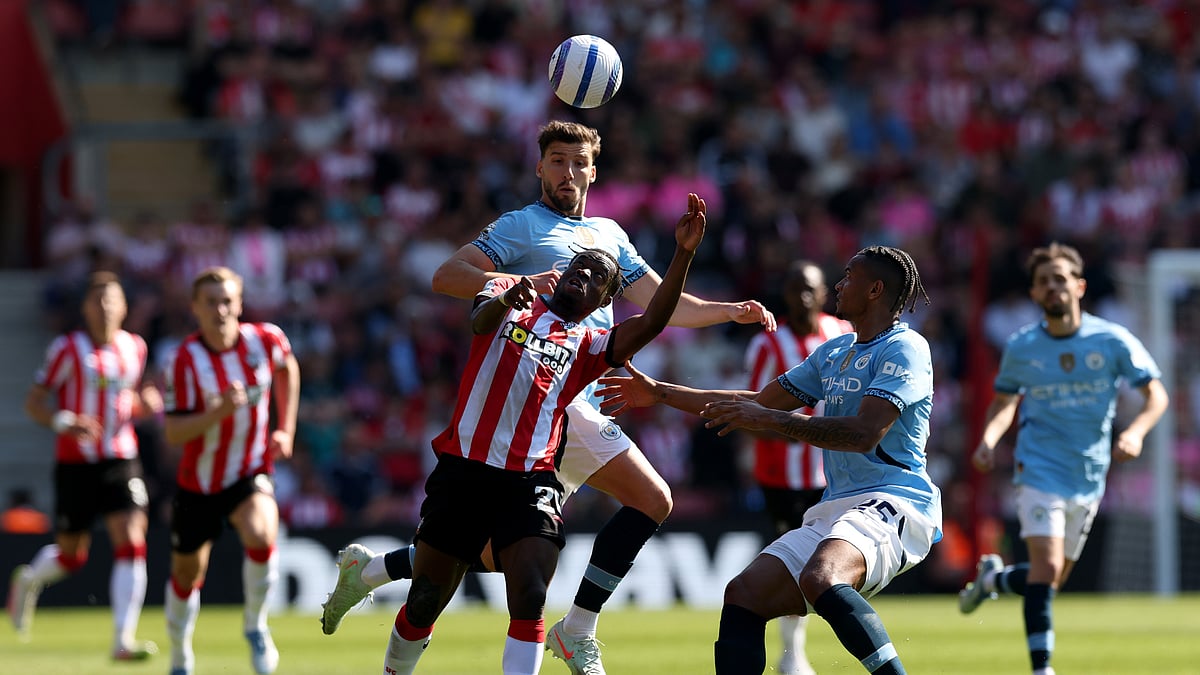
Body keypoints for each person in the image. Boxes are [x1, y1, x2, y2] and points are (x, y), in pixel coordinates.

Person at [320, 119, 775, 675]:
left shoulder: (609, 235)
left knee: (514, 553)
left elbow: (659, 308)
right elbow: (447, 275)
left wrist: (726, 310)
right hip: (538, 397)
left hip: (576, 384)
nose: (567, 171)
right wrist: (507, 287)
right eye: (556, 160)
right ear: (540, 167)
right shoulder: (520, 225)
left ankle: (377, 572)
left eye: (577, 162)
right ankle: (571, 627)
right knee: (618, 512)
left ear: (592, 171)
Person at [379, 194, 706, 675]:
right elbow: (479, 320)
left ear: (605, 303)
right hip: (464, 470)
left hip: (529, 480)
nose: (585, 274)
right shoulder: (512, 294)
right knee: (427, 598)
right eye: (580, 265)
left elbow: (654, 320)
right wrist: (508, 293)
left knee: (530, 593)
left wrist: (683, 254)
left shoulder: (590, 345)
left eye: (599, 277)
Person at [597, 245, 940, 675]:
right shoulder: (835, 353)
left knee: (822, 577)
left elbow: (864, 433)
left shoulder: (905, 348)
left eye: (849, 276)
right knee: (744, 593)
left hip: (896, 500)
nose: (838, 284)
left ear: (875, 289)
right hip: (836, 506)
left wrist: (773, 420)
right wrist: (661, 392)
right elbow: (756, 402)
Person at [957, 242, 1168, 675]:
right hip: (1038, 467)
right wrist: (989, 439)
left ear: (1079, 286)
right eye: (1043, 282)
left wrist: (1135, 432)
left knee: (1049, 578)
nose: (1052, 287)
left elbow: (1156, 396)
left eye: (1060, 279)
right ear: (1034, 294)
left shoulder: (1111, 340)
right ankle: (1042, 668)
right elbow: (1004, 401)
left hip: (1089, 473)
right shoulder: (1023, 346)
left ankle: (994, 579)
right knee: (1047, 567)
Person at [9, 271, 160, 660]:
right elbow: (33, 403)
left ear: (124, 307)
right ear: (85, 309)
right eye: (98, 300)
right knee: (73, 556)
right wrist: (64, 421)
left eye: (112, 299)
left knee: (132, 538)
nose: (106, 307)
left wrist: (147, 403)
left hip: (121, 457)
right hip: (76, 461)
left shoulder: (135, 348)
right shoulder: (67, 349)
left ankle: (122, 641)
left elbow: (135, 397)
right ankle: (28, 580)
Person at [160, 266, 300, 675]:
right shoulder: (184, 360)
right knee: (186, 574)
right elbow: (173, 432)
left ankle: (256, 626)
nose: (221, 309)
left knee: (261, 532)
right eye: (211, 302)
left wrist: (285, 428)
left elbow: (288, 368)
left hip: (249, 469)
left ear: (239, 304)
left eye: (227, 301)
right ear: (195, 309)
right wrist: (217, 411)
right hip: (198, 482)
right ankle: (180, 653)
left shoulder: (265, 339)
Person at [741, 260, 852, 675]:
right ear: (784, 296)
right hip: (781, 477)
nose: (802, 296)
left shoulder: (843, 334)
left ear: (824, 294)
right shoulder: (767, 345)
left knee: (830, 561)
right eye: (794, 288)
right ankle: (792, 653)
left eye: (810, 288)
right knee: (794, 563)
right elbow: (753, 407)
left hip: (834, 477)